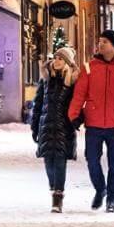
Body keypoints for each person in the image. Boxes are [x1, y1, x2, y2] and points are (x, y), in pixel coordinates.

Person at [68, 30, 114, 213]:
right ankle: (100, 189)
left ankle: (112, 199)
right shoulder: (89, 68)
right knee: (92, 160)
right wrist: (74, 115)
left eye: (105, 42)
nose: (100, 45)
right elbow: (79, 94)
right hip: (93, 123)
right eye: (100, 41)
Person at [31, 47, 79, 213]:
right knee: (48, 162)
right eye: (56, 58)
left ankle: (57, 197)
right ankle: (54, 187)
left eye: (61, 59)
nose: (57, 61)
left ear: (66, 63)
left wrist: (76, 122)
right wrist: (34, 126)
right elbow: (37, 105)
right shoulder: (46, 81)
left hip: (63, 128)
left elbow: (76, 106)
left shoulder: (71, 83)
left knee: (59, 161)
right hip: (45, 127)